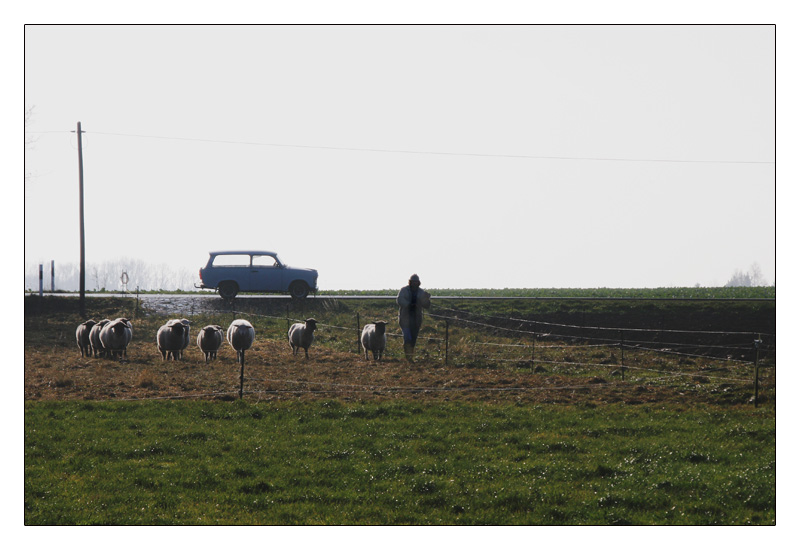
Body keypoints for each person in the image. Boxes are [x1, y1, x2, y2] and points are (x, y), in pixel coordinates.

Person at [396, 274, 431, 362]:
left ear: (418, 283)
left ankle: (410, 355)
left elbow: (426, 305)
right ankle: (408, 357)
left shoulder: (421, 292)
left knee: (414, 338)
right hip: (405, 319)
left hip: (416, 319)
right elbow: (399, 300)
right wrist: (409, 305)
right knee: (407, 337)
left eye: (416, 282)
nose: (415, 283)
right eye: (413, 282)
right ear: (410, 282)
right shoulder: (404, 290)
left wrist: (426, 299)